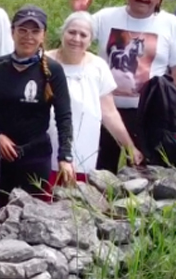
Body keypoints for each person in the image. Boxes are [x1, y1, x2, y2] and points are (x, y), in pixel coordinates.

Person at [85, 0, 176, 172]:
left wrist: (175, 109)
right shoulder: (105, 17)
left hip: (148, 112)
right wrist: (80, 11)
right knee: (98, 167)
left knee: (141, 168)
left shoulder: (170, 24)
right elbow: (76, 40)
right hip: (105, 108)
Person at [0, 6, 75, 202]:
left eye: (35, 31)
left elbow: (63, 115)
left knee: (34, 218)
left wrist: (65, 157)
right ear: (12, 32)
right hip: (0, 157)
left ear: (43, 35)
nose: (28, 37)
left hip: (35, 156)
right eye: (22, 30)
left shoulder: (52, 70)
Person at [47, 12, 142, 176]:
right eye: (71, 32)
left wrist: (129, 146)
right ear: (62, 33)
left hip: (83, 150)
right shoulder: (44, 61)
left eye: (83, 35)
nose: (76, 39)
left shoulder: (98, 66)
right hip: (46, 148)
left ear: (90, 40)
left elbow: (109, 113)